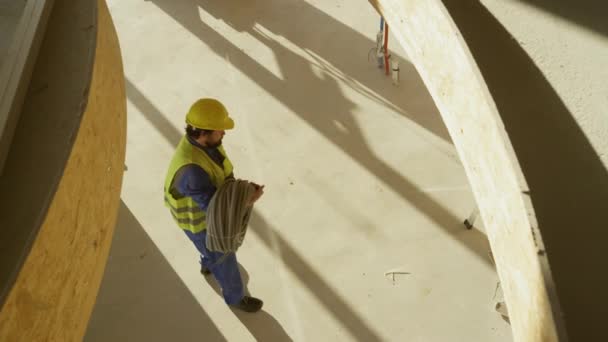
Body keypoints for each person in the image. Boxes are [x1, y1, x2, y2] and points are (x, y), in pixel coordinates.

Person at [163, 98, 265, 312]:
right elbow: (216, 211)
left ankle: (206, 263)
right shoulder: (192, 171)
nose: (224, 134)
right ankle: (236, 297)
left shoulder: (205, 145)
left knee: (208, 253)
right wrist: (246, 199)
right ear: (204, 132)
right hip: (199, 223)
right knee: (225, 259)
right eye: (220, 130)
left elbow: (222, 176)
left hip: (200, 217)